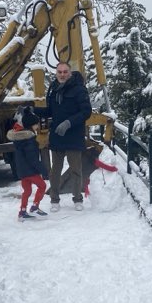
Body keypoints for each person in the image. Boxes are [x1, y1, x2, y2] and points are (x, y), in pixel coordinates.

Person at [42, 61, 92, 211]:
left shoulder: (79, 90)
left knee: (76, 169)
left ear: (70, 73)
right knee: (55, 170)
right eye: (60, 72)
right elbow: (50, 112)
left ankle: (77, 199)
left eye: (65, 72)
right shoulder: (53, 89)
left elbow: (86, 112)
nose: (62, 74)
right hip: (57, 136)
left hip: (74, 136)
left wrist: (69, 123)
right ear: (56, 73)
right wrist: (31, 111)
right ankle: (54, 200)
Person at [7, 107, 49, 221]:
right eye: (36, 124)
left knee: (27, 191)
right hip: (31, 171)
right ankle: (35, 206)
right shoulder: (29, 141)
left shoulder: (19, 139)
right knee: (42, 186)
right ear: (31, 125)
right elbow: (33, 159)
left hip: (22, 170)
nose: (37, 126)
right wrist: (44, 170)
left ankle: (22, 211)